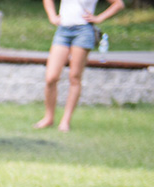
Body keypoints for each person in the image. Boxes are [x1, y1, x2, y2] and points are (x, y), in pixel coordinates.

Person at [34, 0, 125, 131]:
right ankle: (49, 118)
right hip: (63, 30)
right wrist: (52, 16)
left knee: (74, 77)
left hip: (83, 31)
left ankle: (65, 121)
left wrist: (99, 18)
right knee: (51, 77)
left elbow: (118, 4)